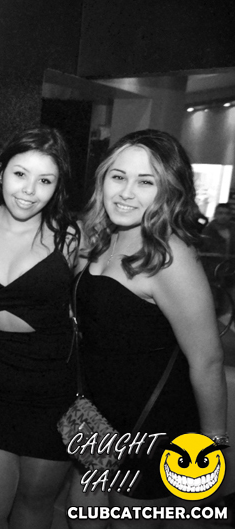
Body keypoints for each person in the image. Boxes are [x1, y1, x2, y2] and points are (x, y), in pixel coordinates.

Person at [68, 129, 227, 528]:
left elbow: (207, 361)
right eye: (118, 176)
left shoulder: (169, 255)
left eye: (145, 182)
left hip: (153, 427)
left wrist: (212, 449)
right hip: (98, 419)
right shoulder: (103, 237)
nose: (126, 192)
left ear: (168, 190)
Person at [0, 127, 78, 529]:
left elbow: (100, 305)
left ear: (57, 186)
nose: (29, 190)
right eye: (20, 174)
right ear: (1, 172)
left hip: (56, 394)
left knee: (34, 505)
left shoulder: (70, 237)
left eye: (45, 180)